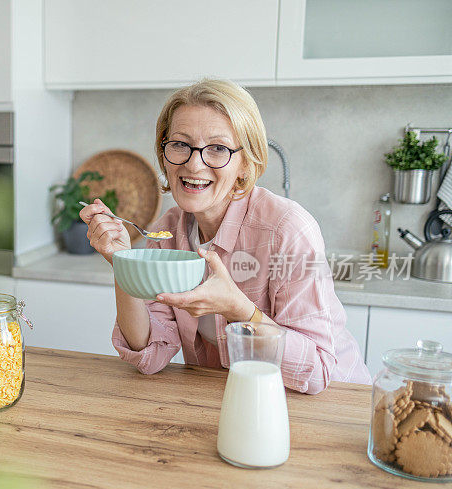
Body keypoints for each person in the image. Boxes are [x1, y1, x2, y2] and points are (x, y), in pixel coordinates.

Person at [80, 78, 370, 394]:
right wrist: (124, 262)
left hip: (334, 406)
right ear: (164, 153)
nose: (194, 163)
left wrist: (239, 310)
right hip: (237, 401)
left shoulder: (287, 229)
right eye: (179, 144)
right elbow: (150, 354)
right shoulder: (168, 230)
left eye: (217, 149)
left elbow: (317, 371)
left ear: (246, 163)